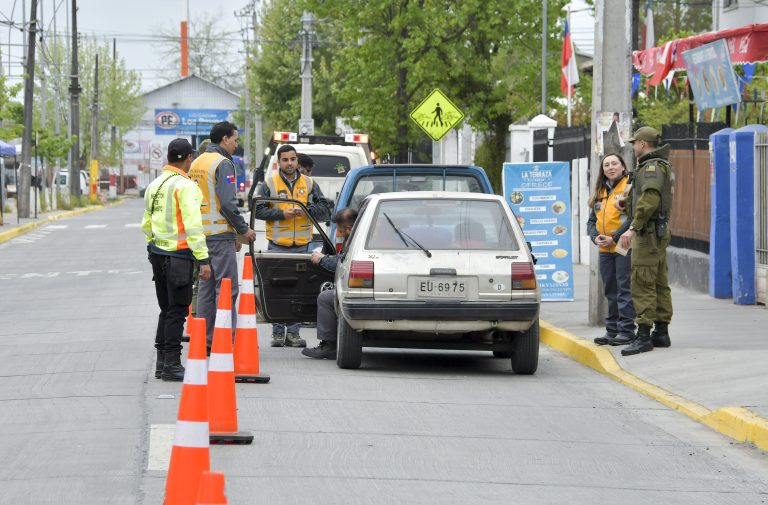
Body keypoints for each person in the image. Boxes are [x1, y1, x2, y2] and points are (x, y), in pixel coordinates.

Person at [142, 139, 212, 381]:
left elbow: (147, 223)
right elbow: (193, 226)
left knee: (166, 310)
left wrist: (153, 247)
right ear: (189, 158)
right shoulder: (186, 186)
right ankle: (172, 364)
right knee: (177, 311)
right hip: (179, 256)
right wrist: (203, 259)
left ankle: (162, 362)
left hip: (157, 253)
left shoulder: (154, 185)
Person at [252, 144, 332, 347]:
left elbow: (324, 209)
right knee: (277, 289)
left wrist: (307, 210)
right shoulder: (270, 183)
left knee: (299, 290)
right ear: (279, 162)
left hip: (302, 247)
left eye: (293, 159)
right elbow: (258, 210)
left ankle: (294, 334)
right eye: (285, 160)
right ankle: (278, 333)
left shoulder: (309, 183)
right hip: (277, 246)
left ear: (297, 161)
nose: (289, 163)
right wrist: (282, 214)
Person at [188, 121, 257, 350]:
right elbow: (228, 203)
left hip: (200, 235)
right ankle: (225, 340)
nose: (236, 144)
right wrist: (243, 230)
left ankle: (207, 340)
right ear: (224, 139)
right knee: (226, 288)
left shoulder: (196, 162)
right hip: (219, 234)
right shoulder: (223, 163)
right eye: (235, 139)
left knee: (206, 289)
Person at [619, 126, 675, 356]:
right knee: (659, 282)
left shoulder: (650, 167)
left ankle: (643, 336)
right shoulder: (658, 165)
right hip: (656, 232)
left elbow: (650, 200)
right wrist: (627, 203)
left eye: (634, 143)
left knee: (642, 282)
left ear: (642, 143)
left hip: (647, 234)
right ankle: (661, 332)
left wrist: (632, 228)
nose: (633, 147)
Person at [587, 153, 636, 346]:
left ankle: (627, 331)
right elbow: (591, 221)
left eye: (614, 163)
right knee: (610, 290)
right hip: (604, 249)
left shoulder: (629, 186)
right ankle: (612, 331)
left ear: (623, 166)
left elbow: (633, 218)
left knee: (623, 288)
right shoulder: (600, 190)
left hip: (623, 245)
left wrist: (614, 238)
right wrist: (595, 237)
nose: (610, 167)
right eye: (606, 165)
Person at [302, 207, 358, 359]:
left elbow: (341, 264)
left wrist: (322, 259)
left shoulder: (355, 242)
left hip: (356, 292)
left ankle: (329, 346)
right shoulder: (364, 235)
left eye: (340, 230)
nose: (338, 234)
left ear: (349, 228)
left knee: (325, 298)